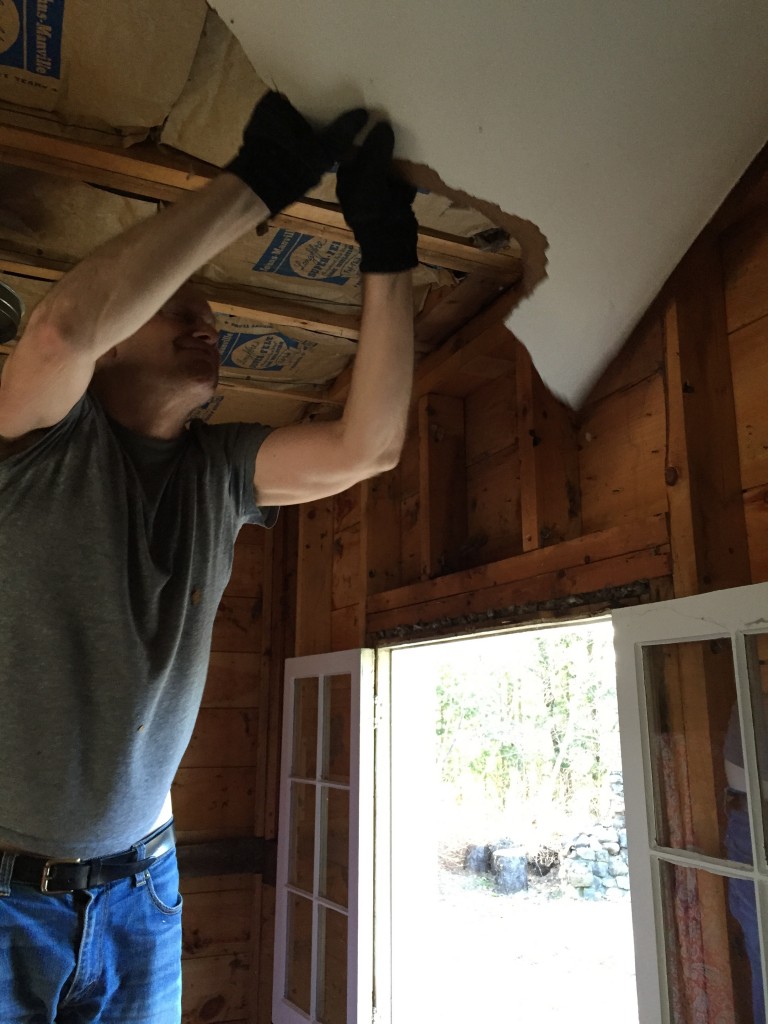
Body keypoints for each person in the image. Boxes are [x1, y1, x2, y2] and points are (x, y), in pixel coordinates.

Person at [0, 91, 418, 1023]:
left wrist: (387, 249)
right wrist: (261, 180)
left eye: (208, 314)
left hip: (142, 893)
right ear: (110, 355)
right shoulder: (31, 445)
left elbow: (368, 448)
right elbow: (61, 330)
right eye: (177, 311)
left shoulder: (220, 474)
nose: (208, 325)